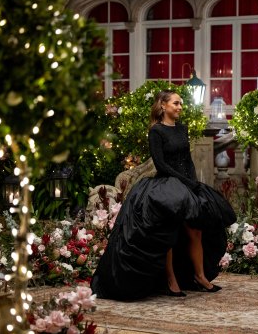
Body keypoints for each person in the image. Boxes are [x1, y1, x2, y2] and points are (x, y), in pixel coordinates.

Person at [91, 90, 236, 300]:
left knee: (196, 230)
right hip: (164, 187)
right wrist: (183, 182)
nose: (180, 107)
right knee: (167, 233)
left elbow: (187, 159)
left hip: (186, 184)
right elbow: (160, 164)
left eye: (181, 104)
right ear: (163, 106)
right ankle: (170, 280)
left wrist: (193, 182)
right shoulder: (156, 131)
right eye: (176, 103)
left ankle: (200, 276)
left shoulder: (182, 129)